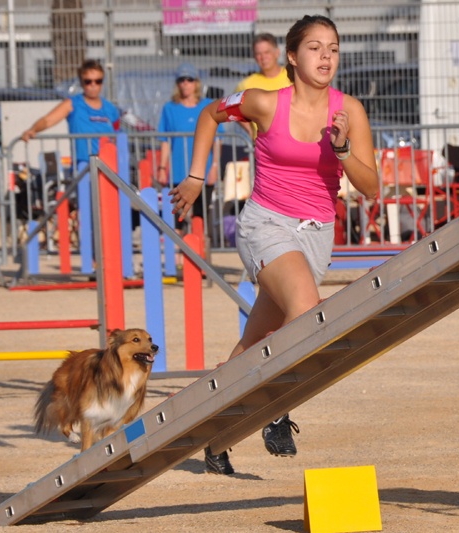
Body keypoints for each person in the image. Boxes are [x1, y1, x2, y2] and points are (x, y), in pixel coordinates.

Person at [170, 14, 379, 475]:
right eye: (315, 47)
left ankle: (214, 433)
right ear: (291, 56)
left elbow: (372, 186)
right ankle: (277, 411)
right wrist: (195, 175)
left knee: (255, 341)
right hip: (266, 224)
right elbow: (210, 113)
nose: (326, 56)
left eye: (333, 48)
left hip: (317, 234)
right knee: (307, 311)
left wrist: (343, 152)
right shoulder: (265, 103)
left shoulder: (351, 111)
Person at [156, 63, 223, 245]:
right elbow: (165, 142)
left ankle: (200, 257)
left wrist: (215, 166)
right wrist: (162, 167)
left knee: (200, 217)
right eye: (182, 80)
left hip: (203, 171)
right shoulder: (169, 108)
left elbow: (218, 140)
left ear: (196, 83)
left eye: (190, 79)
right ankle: (178, 259)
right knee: (178, 218)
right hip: (178, 172)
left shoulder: (208, 105)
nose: (186, 83)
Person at [21, 59, 120, 165]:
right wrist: (33, 129)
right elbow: (48, 120)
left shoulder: (111, 109)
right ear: (81, 83)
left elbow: (117, 137)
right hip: (83, 164)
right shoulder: (72, 104)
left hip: (108, 164)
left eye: (98, 81)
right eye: (88, 81)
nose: (93, 85)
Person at [235, 33, 292, 139]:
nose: (263, 57)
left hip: (292, 143)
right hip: (263, 149)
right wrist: (250, 131)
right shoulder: (246, 85)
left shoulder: (293, 77)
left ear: (277, 52)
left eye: (267, 52)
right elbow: (233, 109)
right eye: (258, 54)